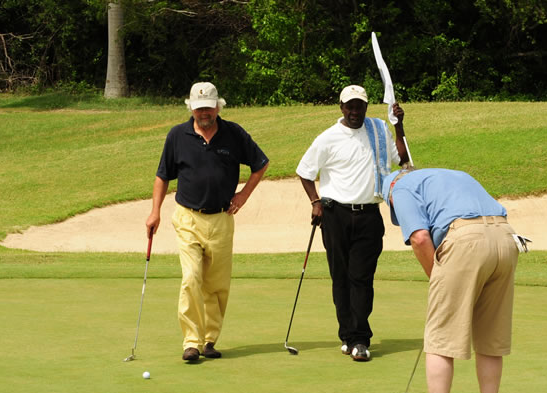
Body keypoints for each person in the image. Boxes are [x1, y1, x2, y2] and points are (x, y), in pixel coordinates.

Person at [381, 167, 528, 393]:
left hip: (466, 241)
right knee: (490, 337)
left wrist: (436, 277)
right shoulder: (452, 176)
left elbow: (420, 238)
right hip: (506, 239)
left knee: (439, 338)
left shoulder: (397, 188)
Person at [146, 82, 269, 362]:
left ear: (218, 106)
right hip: (188, 217)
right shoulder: (178, 135)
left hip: (222, 218)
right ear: (191, 107)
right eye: (199, 108)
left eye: (209, 107)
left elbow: (260, 164)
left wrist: (244, 195)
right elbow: (162, 176)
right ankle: (191, 341)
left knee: (217, 285)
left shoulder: (233, 134)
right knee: (191, 278)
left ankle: (209, 340)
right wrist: (155, 211)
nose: (205, 113)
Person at [296, 84, 409, 362]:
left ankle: (360, 339)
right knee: (341, 278)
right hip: (335, 216)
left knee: (361, 278)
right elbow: (305, 172)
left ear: (366, 107)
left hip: (369, 215)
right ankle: (346, 334)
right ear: (341, 107)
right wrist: (315, 202)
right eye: (350, 106)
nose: (355, 111)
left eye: (359, 106)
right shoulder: (327, 138)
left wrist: (398, 126)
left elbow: (403, 160)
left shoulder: (379, 130)